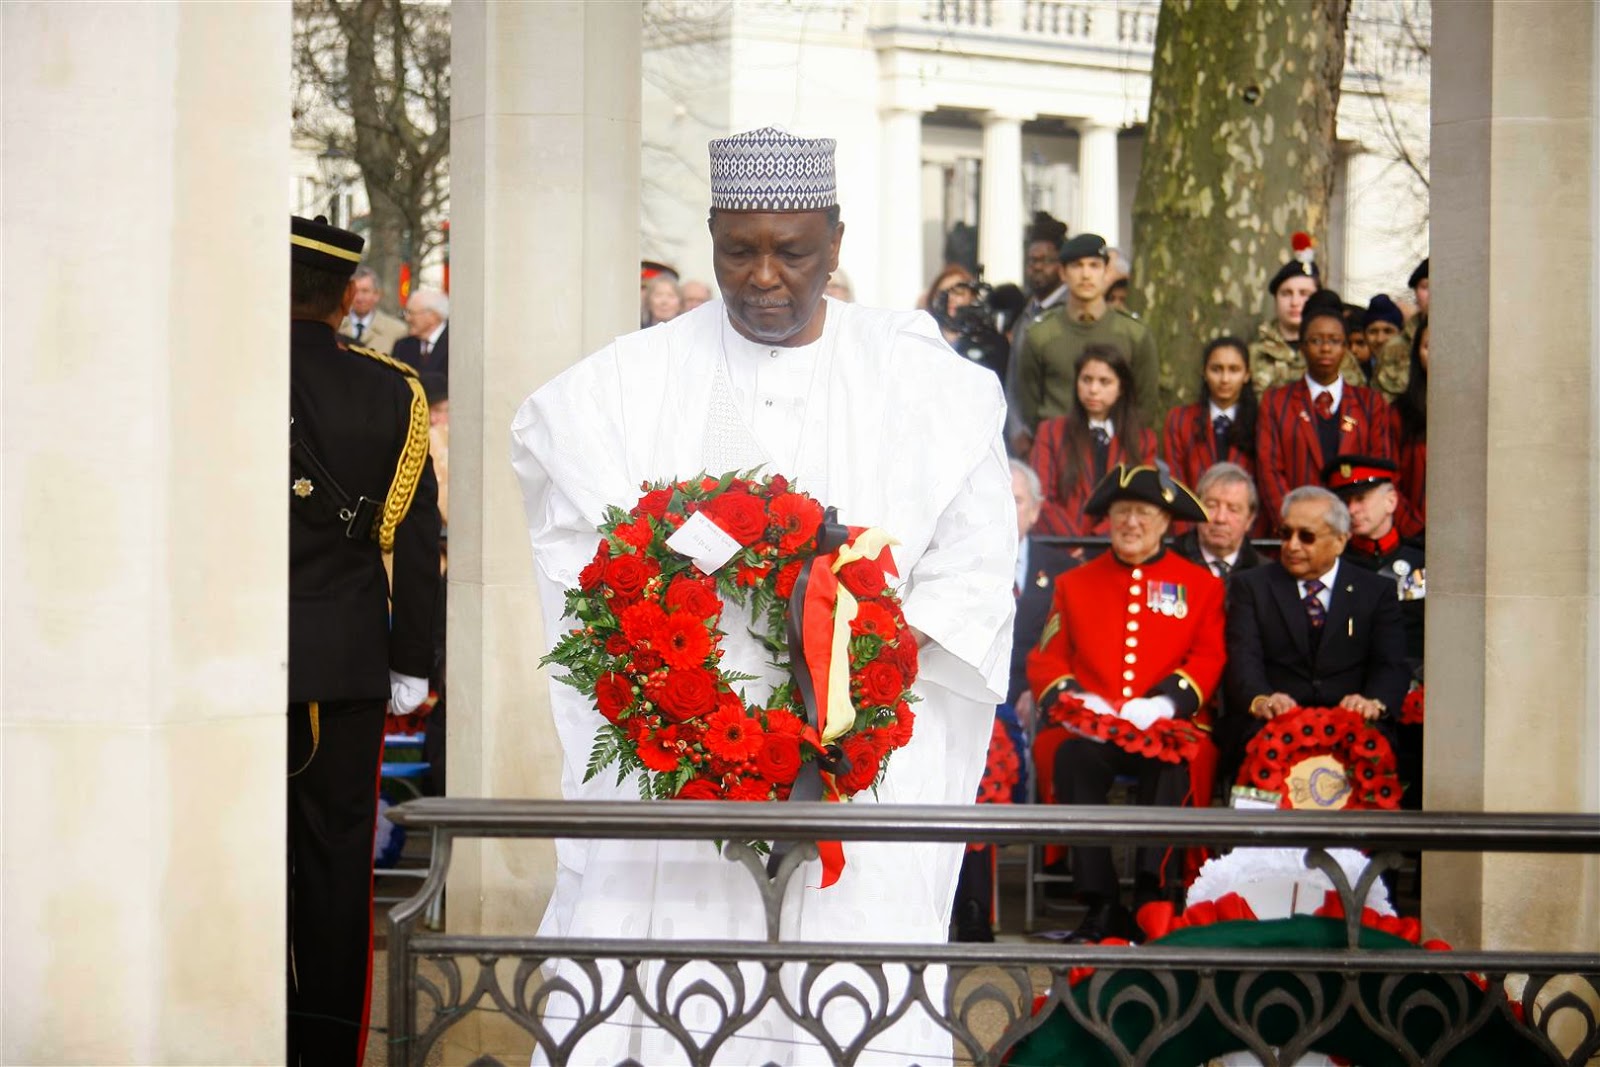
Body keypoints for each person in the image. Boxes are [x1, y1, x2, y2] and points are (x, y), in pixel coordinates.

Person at [510, 126, 1015, 1065]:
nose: (765, 277)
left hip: (861, 772)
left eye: (794, 251)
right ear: (710, 236)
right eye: (739, 250)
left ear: (837, 241)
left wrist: (863, 673)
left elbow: (978, 565)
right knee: (671, 996)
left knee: (846, 1003)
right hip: (682, 759)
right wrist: (658, 664)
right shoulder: (634, 377)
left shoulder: (923, 383)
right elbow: (559, 482)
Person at [287, 215, 441, 1065]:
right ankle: (326, 1052)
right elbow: (416, 542)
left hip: (230, 669)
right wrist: (412, 663)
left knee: (244, 855)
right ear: (350, 293)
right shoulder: (391, 391)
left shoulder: (214, 379)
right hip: (348, 663)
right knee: (340, 867)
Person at [1026, 464, 1225, 942]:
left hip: (1166, 725)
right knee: (1071, 758)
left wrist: (1164, 705)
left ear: (1165, 523)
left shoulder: (1200, 585)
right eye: (1121, 513)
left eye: (1143, 513)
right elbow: (1046, 659)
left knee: (1173, 763)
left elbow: (1209, 655)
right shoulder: (1075, 584)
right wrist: (1081, 702)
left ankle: (1153, 898)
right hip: (1095, 728)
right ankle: (1101, 904)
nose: (1131, 523)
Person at [952, 460, 1077, 943]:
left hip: (1030, 703)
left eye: (1018, 500)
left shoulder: (1062, 570)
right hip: (971, 695)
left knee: (994, 749)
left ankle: (977, 906)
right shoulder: (965, 563)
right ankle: (970, 905)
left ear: (1036, 511)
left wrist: (1038, 693)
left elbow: (1065, 649)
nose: (1008, 508)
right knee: (979, 752)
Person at [1222, 486, 1409, 783]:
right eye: (1286, 534)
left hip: (1354, 721)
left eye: (1306, 537)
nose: (1292, 546)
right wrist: (1261, 698)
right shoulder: (1251, 587)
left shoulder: (1375, 591)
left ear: (1340, 541)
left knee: (1379, 751)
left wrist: (1373, 701)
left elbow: (1391, 663)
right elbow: (1243, 657)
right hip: (1272, 721)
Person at [1256, 289, 1396, 524]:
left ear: (1346, 347)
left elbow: (1380, 469)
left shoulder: (1370, 404)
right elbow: (1269, 471)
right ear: (1301, 346)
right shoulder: (1276, 403)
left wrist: (1356, 519)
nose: (1325, 348)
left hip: (1355, 529)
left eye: (1334, 341)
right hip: (1296, 530)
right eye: (1316, 340)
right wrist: (1296, 522)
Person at [1016, 232, 1160, 433]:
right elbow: (1028, 404)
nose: (1086, 275)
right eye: (1077, 266)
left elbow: (1146, 403)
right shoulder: (1040, 334)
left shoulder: (1133, 334)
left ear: (1106, 272)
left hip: (1117, 451)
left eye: (1094, 265)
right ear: (1063, 273)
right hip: (1057, 450)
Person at [1028, 345, 1158, 537]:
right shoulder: (1051, 432)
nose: (1093, 390)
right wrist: (1075, 545)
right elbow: (1041, 497)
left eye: (1104, 382)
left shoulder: (1142, 440)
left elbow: (1141, 499)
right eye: (1086, 380)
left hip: (1117, 545)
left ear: (1121, 387)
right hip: (1060, 546)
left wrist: (1097, 541)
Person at [1248, 239, 1363, 394]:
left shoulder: (1337, 354)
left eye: (1304, 294)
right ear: (1276, 299)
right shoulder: (1255, 354)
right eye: (1286, 293)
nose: (1295, 302)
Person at [1004, 213, 1070, 456]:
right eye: (1032, 261)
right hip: (1023, 442)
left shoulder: (1070, 313)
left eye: (1046, 260)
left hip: (1061, 441)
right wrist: (1017, 430)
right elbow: (1013, 381)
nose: (1038, 267)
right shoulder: (1026, 316)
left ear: (1061, 265)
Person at [1161, 336, 1258, 497]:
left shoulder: (1260, 422)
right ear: (1204, 373)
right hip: (1193, 516)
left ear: (1247, 375)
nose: (1225, 379)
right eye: (1216, 369)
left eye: (1234, 370)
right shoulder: (1179, 420)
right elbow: (1174, 483)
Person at [1172, 461, 1263, 581]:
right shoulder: (1170, 562)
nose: (1220, 518)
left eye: (1233, 509)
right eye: (1211, 506)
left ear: (1250, 519)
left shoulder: (1264, 574)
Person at [1391, 317, 1428, 535]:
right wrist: (1414, 527)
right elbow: (1390, 479)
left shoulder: (1478, 410)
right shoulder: (1399, 413)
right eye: (1429, 346)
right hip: (1411, 534)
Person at [341, 266, 406, 354]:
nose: (359, 298)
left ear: (377, 295)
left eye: (365, 291)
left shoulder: (396, 331)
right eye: (355, 291)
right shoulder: (337, 325)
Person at [394, 288, 450, 385]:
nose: (407, 318)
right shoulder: (402, 346)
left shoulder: (454, 344)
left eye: (411, 313)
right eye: (406, 313)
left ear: (433, 316)